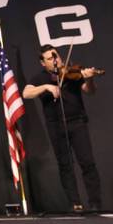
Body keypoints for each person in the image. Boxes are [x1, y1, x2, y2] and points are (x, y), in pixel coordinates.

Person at [22, 45, 103, 212]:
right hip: (56, 126)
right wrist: (46, 87)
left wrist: (89, 78)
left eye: (56, 56)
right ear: (43, 63)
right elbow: (26, 93)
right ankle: (75, 203)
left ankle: (95, 203)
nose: (55, 60)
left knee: (87, 162)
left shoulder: (72, 72)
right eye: (50, 58)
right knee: (65, 165)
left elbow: (90, 91)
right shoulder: (40, 77)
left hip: (78, 122)